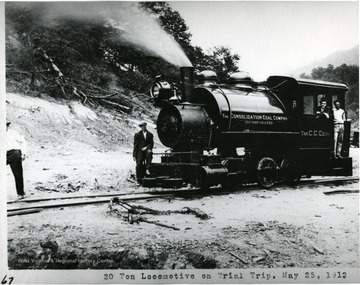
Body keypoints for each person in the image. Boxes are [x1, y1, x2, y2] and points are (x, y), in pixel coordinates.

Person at [6, 120, 28, 199]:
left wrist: (24, 153)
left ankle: (20, 193)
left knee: (18, 174)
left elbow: (23, 142)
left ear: (7, 125)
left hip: (14, 153)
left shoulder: (13, 133)